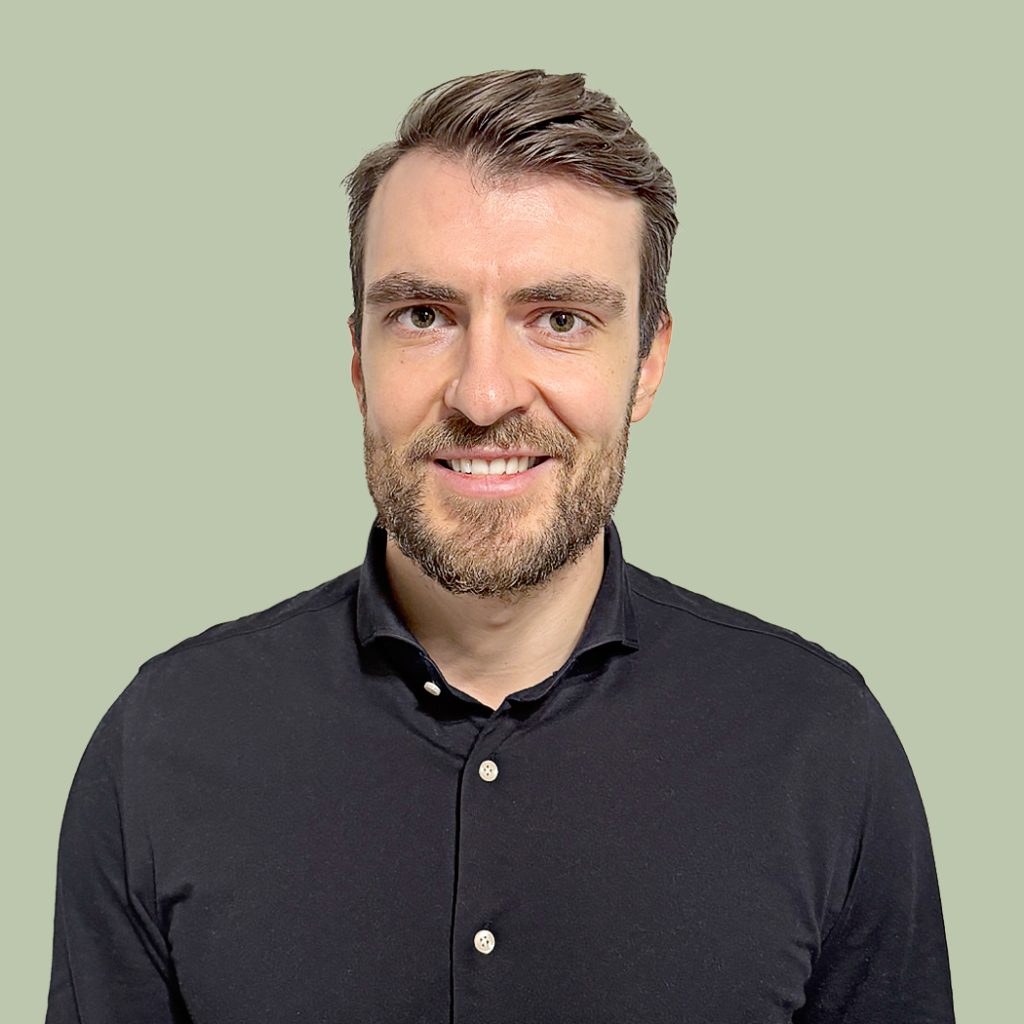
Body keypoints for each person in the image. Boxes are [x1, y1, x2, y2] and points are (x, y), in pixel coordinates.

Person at [45, 70, 956, 1023]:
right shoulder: (162, 746)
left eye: (559, 320)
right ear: (358, 361)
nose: (484, 396)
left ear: (648, 362)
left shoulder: (822, 747)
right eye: (424, 316)